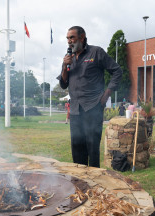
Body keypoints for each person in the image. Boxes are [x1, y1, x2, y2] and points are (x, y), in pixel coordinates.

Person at [57, 26, 123, 168]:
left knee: (92, 148)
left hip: (93, 107)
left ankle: (95, 183)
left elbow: (117, 71)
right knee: (76, 147)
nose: (69, 41)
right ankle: (80, 181)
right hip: (75, 110)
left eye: (72, 37)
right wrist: (64, 66)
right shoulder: (69, 58)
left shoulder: (96, 52)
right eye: (67, 38)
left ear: (82, 37)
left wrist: (106, 95)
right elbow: (63, 84)